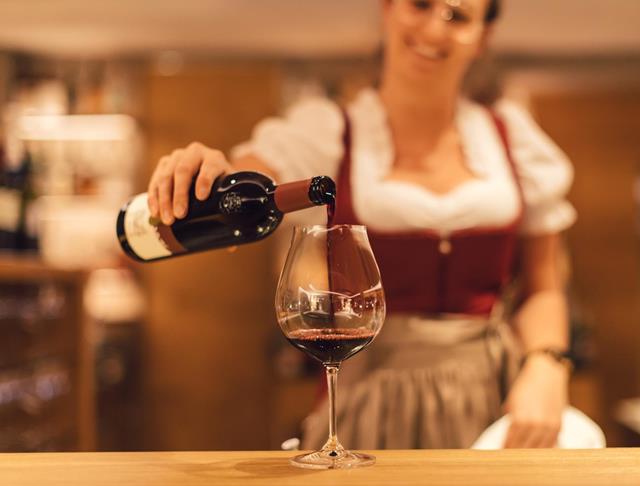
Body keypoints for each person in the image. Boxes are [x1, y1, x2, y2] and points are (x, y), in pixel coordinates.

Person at [147, 0, 576, 449]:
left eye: (459, 16)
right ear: (388, 9)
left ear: (483, 38)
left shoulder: (512, 138)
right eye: (421, 5)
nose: (435, 28)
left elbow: (544, 286)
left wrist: (548, 364)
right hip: (369, 398)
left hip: (494, 397)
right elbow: (250, 184)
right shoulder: (328, 130)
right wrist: (216, 176)